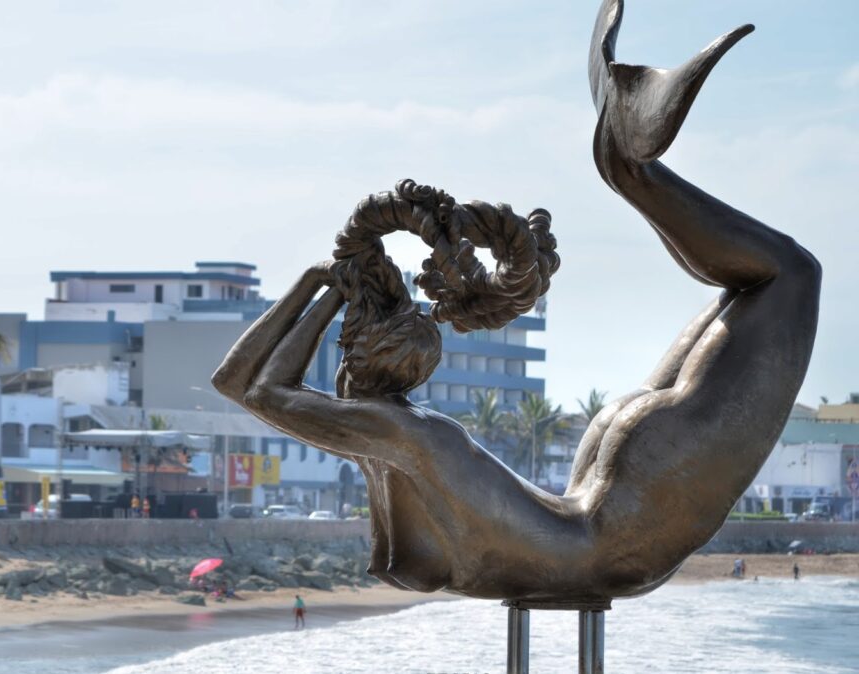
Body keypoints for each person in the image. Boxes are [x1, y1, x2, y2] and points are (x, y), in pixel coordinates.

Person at [211, 0, 820, 605]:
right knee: (783, 278)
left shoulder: (394, 433)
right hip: (606, 539)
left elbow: (253, 386)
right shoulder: (400, 431)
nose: (342, 353)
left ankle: (626, 163)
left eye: (349, 340)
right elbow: (250, 387)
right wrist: (322, 284)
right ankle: (628, 167)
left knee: (773, 282)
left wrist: (325, 285)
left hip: (602, 530)